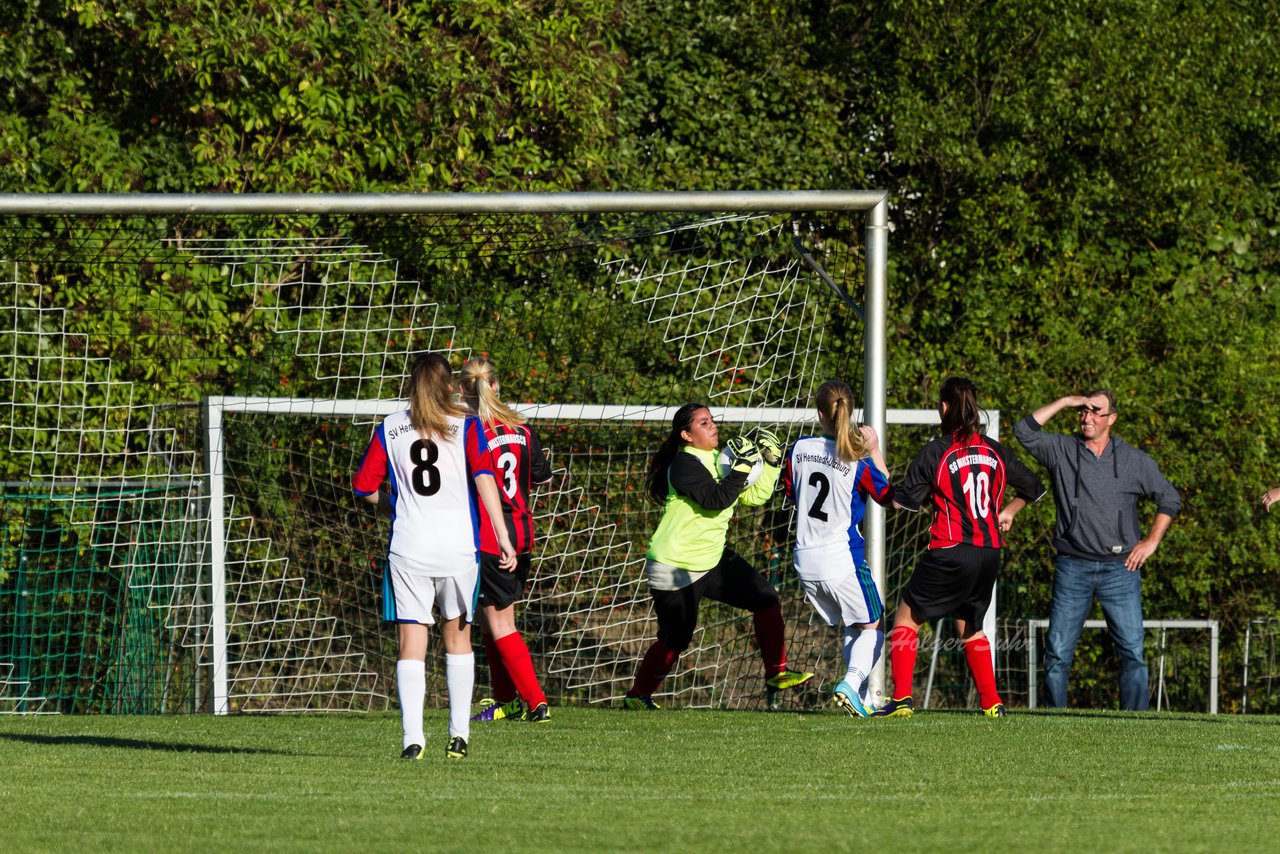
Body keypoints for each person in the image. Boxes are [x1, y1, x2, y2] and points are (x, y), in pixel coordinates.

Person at [352, 353, 516, 760]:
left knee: (411, 643)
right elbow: (484, 479)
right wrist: (502, 534)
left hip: (409, 547)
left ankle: (412, 739)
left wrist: (394, 504)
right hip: (458, 548)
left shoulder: (390, 427)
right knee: (458, 638)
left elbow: (363, 487)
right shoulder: (466, 424)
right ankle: (458, 735)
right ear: (449, 385)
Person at [622, 403, 814, 709]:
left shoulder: (721, 457)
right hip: (675, 564)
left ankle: (776, 672)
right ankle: (636, 696)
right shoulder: (683, 464)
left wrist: (772, 463)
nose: (712, 426)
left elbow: (754, 496)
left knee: (765, 598)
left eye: (711, 420)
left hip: (711, 559)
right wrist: (740, 470)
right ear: (686, 434)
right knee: (676, 639)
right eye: (703, 423)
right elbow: (714, 500)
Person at [875, 377, 1045, 718]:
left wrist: (874, 455)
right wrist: (1007, 512)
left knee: (906, 618)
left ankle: (902, 700)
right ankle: (992, 703)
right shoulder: (996, 450)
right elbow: (1035, 487)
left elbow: (898, 502)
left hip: (950, 548)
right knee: (970, 625)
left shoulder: (937, 452)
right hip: (989, 553)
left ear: (943, 407)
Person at [1013, 390, 1180, 711]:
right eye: (1084, 411)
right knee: (1058, 653)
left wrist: (1152, 541)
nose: (1087, 417)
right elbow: (1024, 432)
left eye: (1096, 412)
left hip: (1122, 569)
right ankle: (1053, 723)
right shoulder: (1061, 449)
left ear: (1112, 419)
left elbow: (1169, 498)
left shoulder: (1134, 460)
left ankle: (1135, 725)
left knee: (1132, 651)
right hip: (1072, 567)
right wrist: (1063, 401)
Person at [783, 380, 895, 717]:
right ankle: (850, 684)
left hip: (804, 559)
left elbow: (791, 492)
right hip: (842, 559)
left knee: (854, 624)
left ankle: (856, 697)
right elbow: (888, 495)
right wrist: (873, 448)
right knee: (875, 626)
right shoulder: (856, 462)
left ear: (820, 413)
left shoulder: (800, 448)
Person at [458, 356, 555, 724]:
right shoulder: (525, 430)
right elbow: (542, 477)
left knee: (501, 624)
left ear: (462, 392)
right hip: (522, 533)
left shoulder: (469, 432)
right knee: (489, 619)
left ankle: (536, 703)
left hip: (490, 538)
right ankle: (506, 700)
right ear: (495, 386)